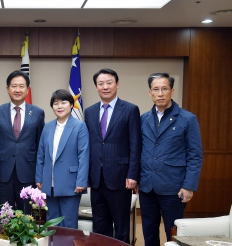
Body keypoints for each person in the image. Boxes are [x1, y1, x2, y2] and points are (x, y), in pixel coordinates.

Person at [139, 72, 203, 246]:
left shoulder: (188, 119)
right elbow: (139, 150)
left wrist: (189, 186)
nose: (160, 94)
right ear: (150, 92)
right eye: (156, 89)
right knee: (149, 232)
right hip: (147, 187)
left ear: (172, 91)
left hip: (174, 187)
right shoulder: (143, 119)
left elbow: (195, 155)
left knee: (173, 234)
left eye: (164, 89)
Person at [84, 68, 141, 244]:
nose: (105, 87)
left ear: (117, 84)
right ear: (96, 87)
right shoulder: (90, 111)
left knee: (121, 225)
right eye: (101, 84)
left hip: (120, 177)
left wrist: (133, 174)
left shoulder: (130, 109)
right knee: (100, 224)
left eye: (109, 83)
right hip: (96, 178)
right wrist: (86, 174)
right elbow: (89, 145)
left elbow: (135, 144)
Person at [0, 70, 45, 213]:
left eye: (21, 86)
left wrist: (40, 173)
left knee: (27, 215)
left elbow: (40, 144)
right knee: (6, 215)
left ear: (27, 90)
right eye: (14, 86)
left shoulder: (38, 112)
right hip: (4, 171)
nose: (17, 89)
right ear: (7, 89)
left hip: (28, 172)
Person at [35, 89, 89, 229]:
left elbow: (83, 155)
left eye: (63, 102)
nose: (59, 106)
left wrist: (81, 181)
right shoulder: (48, 127)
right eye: (56, 103)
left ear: (71, 105)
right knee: (52, 224)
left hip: (71, 184)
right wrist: (39, 178)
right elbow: (41, 154)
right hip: (50, 183)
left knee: (68, 225)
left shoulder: (79, 126)